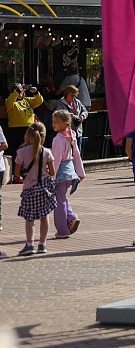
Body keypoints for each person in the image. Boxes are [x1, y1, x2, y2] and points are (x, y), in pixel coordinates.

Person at [13, 122, 56, 255]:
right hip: (45, 187)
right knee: (44, 216)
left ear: (29, 136)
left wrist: (24, 175)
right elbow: (52, 172)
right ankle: (42, 244)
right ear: (43, 136)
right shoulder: (47, 152)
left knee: (29, 218)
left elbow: (16, 173)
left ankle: (30, 244)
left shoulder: (21, 152)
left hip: (29, 188)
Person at [50, 110, 84, 239]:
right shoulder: (72, 136)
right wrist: (80, 172)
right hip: (71, 173)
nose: (53, 124)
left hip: (60, 174)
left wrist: (52, 177)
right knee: (62, 198)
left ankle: (62, 230)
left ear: (65, 123)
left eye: (56, 122)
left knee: (59, 202)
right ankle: (71, 218)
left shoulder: (58, 139)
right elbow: (77, 155)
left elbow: (56, 160)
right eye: (53, 121)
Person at [6, 83, 44, 154]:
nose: (20, 93)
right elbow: (10, 100)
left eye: (21, 91)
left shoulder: (27, 100)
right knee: (17, 151)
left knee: (30, 150)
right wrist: (18, 91)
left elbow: (39, 101)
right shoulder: (10, 101)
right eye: (17, 91)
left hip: (29, 129)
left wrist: (35, 92)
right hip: (16, 130)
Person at [56, 85, 88, 153]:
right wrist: (72, 116)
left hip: (78, 132)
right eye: (72, 95)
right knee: (68, 153)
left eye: (75, 95)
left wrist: (82, 117)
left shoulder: (77, 102)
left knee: (78, 153)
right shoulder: (61, 103)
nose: (73, 97)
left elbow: (85, 111)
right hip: (67, 133)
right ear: (66, 94)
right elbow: (60, 114)